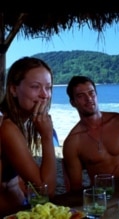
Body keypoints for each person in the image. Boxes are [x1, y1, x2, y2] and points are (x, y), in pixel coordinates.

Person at [63, 75, 119, 192]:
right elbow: (76, 188)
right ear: (73, 103)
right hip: (103, 197)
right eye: (81, 96)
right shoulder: (73, 142)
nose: (88, 98)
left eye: (91, 93)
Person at [0, 57, 56, 209]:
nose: (45, 95)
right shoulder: (7, 127)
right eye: (35, 87)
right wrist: (46, 136)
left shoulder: (15, 123)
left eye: (48, 87)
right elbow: (47, 191)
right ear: (13, 89)